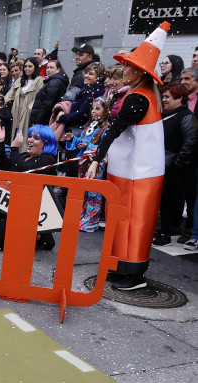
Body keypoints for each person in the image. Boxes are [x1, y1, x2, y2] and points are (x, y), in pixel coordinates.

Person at [85, 23, 170, 291]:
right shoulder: (142, 95)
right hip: (133, 172)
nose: (124, 70)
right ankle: (121, 269)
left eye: (129, 67)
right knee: (124, 222)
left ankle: (132, 274)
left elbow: (114, 130)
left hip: (137, 175)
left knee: (132, 223)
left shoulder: (138, 98)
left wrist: (97, 158)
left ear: (140, 72)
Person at [0, 123, 58, 251]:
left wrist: (14, 148)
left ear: (46, 142)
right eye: (30, 136)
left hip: (30, 208)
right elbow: (6, 165)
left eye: (36, 138)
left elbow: (23, 173)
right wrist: (1, 141)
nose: (29, 140)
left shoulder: (48, 159)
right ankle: (36, 233)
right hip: (13, 202)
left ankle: (41, 236)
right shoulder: (25, 155)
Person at [153, 82, 197, 246]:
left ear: (179, 98)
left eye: (167, 97)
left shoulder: (186, 117)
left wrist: (177, 165)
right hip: (165, 167)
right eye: (163, 96)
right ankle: (167, 228)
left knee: (172, 202)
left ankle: (168, 230)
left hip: (176, 170)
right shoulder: (166, 115)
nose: (163, 100)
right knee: (166, 201)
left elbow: (189, 143)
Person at [62, 97, 111, 232]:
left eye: (98, 108)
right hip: (83, 162)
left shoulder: (106, 128)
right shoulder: (89, 126)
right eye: (93, 108)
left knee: (94, 192)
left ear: (106, 111)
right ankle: (82, 216)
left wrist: (88, 145)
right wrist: (73, 139)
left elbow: (104, 147)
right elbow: (83, 141)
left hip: (96, 163)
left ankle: (91, 220)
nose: (93, 111)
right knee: (84, 190)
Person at [4, 57, 44, 152]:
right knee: (15, 135)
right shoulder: (20, 80)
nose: (27, 68)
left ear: (35, 68)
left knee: (26, 136)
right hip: (16, 112)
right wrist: (2, 103)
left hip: (29, 114)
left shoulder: (39, 80)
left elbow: (38, 98)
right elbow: (9, 95)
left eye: (30, 66)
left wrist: (30, 109)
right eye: (25, 66)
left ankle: (24, 157)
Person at [29, 60, 68, 126]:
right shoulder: (52, 81)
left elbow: (47, 104)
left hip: (46, 120)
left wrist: (38, 122)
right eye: (47, 67)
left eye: (51, 67)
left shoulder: (55, 83)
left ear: (58, 69)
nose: (48, 70)